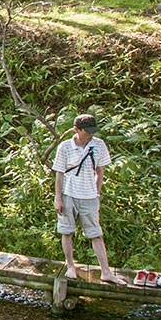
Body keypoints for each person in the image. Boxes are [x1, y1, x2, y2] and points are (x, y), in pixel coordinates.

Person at [50, 114, 114, 282]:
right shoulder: (65, 147)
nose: (90, 134)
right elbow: (60, 174)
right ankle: (70, 265)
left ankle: (106, 272)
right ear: (76, 130)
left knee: (96, 233)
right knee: (67, 231)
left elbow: (100, 171)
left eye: (92, 131)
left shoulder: (98, 145)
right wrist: (58, 198)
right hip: (68, 194)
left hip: (89, 196)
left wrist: (96, 193)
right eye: (87, 131)